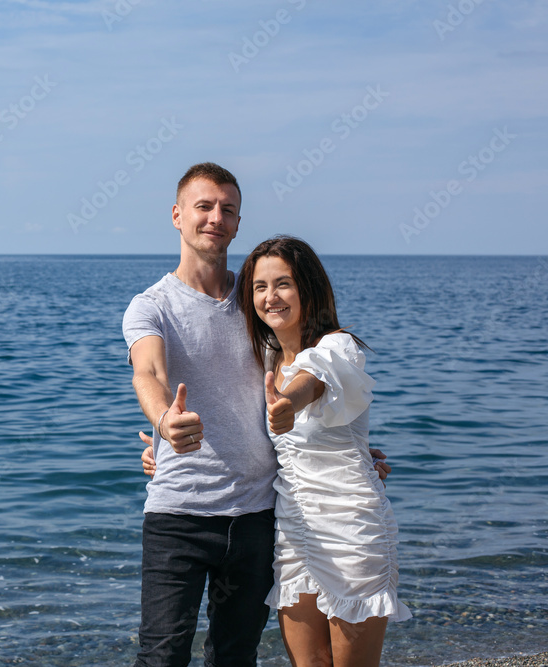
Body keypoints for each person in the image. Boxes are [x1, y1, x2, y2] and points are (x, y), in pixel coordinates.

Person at [124, 163, 390, 667]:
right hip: (178, 514)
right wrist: (162, 425)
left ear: (238, 222)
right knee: (161, 655)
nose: (215, 218)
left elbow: (312, 374)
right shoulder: (151, 307)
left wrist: (349, 451)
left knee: (234, 656)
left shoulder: (254, 311)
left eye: (227, 209)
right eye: (203, 206)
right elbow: (149, 374)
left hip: (258, 516)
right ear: (177, 215)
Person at [239, 236, 410, 666]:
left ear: (309, 288)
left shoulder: (339, 347)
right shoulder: (266, 355)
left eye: (284, 284)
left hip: (350, 527)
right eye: (260, 287)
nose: (270, 297)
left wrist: (285, 406)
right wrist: (163, 448)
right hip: (294, 529)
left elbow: (313, 382)